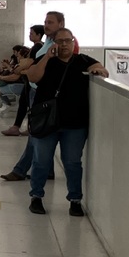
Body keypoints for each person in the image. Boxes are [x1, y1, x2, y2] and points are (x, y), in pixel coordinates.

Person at [24, 29, 109, 216]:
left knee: (72, 162)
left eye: (67, 41)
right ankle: (36, 197)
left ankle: (75, 200)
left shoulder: (82, 60)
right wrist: (47, 57)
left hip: (74, 124)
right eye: (60, 41)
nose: (64, 44)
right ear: (53, 43)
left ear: (73, 42)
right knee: (41, 161)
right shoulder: (46, 60)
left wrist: (98, 70)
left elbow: (102, 69)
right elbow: (33, 77)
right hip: (46, 122)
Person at [1, 12, 66, 181]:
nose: (46, 25)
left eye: (50, 22)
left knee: (36, 133)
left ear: (61, 24)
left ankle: (20, 170)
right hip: (35, 90)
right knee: (40, 132)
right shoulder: (49, 42)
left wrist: (29, 68)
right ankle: (47, 170)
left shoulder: (63, 43)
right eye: (45, 22)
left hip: (46, 94)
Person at [2, 25, 45, 134]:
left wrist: (19, 70)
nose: (30, 35)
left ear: (39, 35)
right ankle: (19, 126)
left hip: (31, 81)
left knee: (28, 103)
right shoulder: (39, 46)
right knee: (24, 102)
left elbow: (31, 63)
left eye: (32, 33)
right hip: (29, 80)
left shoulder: (37, 47)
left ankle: (24, 127)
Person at [0, 45, 31, 117]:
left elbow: (14, 77)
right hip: (21, 85)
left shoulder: (23, 64)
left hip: (20, 86)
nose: (17, 57)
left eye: (18, 55)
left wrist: (2, 77)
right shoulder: (24, 63)